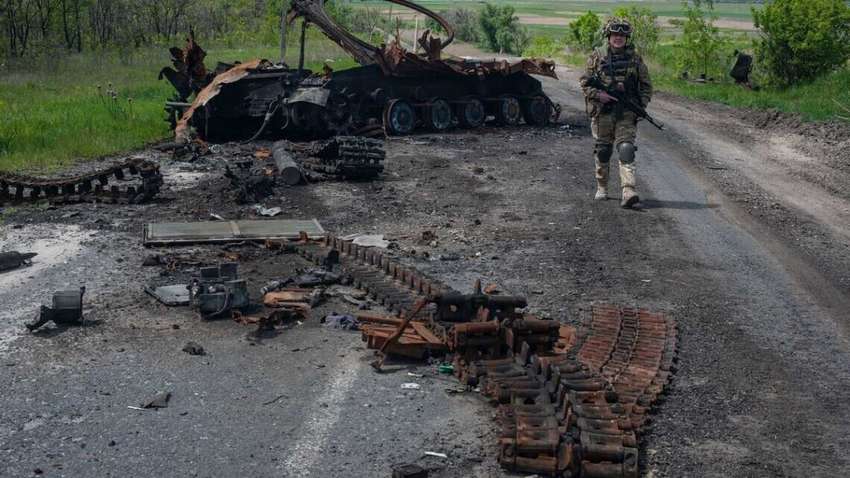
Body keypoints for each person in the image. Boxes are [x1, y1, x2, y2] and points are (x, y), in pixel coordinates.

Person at [580, 18, 653, 208]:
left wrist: (640, 106)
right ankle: (602, 186)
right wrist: (599, 95)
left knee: (626, 148)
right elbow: (584, 84)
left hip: (626, 112)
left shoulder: (635, 60)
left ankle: (628, 190)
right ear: (609, 36)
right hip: (602, 112)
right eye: (615, 35)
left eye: (622, 35)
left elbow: (646, 86)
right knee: (603, 150)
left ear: (626, 38)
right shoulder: (596, 57)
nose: (618, 38)